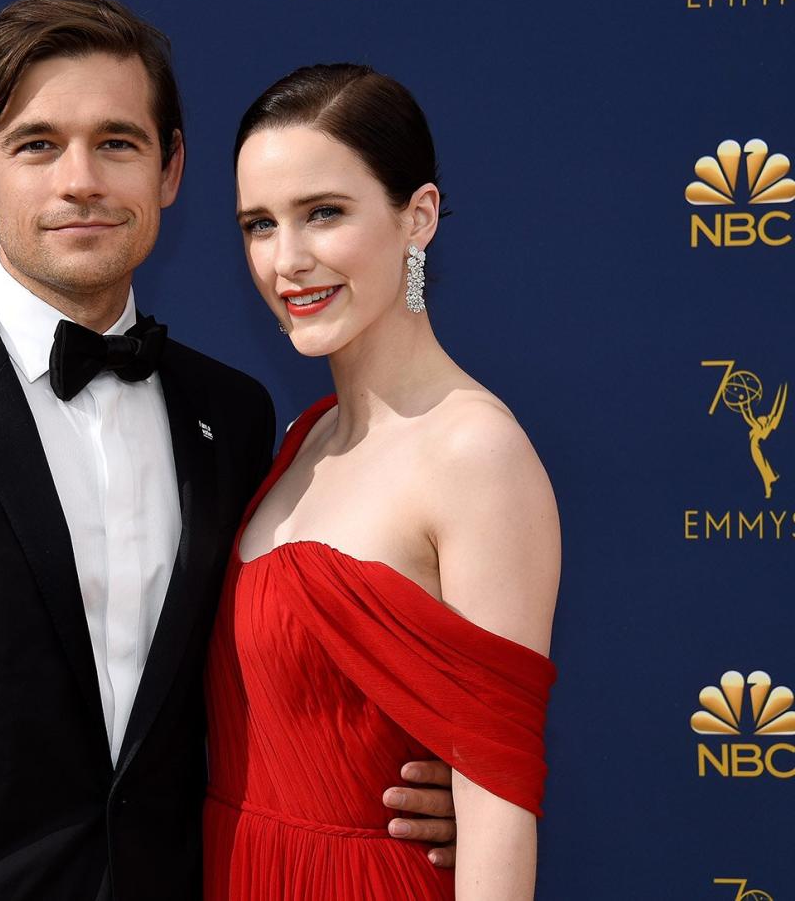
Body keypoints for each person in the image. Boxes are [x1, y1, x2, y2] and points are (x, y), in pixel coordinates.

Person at [0, 0, 457, 901]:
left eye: (117, 142)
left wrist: (428, 791)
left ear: (171, 168)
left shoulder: (234, 416)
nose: (81, 180)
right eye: (37, 144)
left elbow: (266, 692)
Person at [203, 64, 561, 900]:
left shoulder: (477, 455)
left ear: (418, 217)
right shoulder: (301, 438)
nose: (286, 261)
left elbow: (498, 802)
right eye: (259, 224)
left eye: (324, 213)